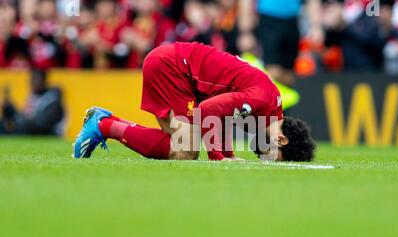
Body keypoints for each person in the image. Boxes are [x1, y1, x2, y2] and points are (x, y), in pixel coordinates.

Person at [73, 42, 315, 162]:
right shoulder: (262, 102)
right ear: (281, 139)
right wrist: (219, 158)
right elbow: (208, 109)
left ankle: (106, 123)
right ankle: (102, 124)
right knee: (186, 150)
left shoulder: (271, 108)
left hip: (176, 65)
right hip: (174, 67)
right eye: (274, 157)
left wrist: (226, 154)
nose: (265, 159)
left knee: (178, 146)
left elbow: (224, 113)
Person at [0, 70, 64, 135]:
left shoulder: (51, 98)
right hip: (28, 129)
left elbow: (44, 122)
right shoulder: (33, 96)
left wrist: (22, 119)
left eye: (36, 79)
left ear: (44, 81)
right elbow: (22, 117)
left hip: (44, 133)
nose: (33, 83)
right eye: (32, 80)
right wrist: (10, 109)